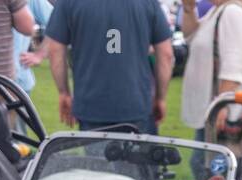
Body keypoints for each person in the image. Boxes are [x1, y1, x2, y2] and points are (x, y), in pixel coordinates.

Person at [46, 0, 172, 132]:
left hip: (91, 106)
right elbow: (166, 54)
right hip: (137, 105)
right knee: (140, 152)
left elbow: (55, 50)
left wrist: (63, 92)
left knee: (95, 153)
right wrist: (160, 97)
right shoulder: (148, 3)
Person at [180, 0, 242, 157]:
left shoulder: (232, 12)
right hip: (212, 108)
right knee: (207, 166)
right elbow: (190, 36)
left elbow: (235, 66)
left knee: (213, 168)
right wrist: (189, 9)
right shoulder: (218, 11)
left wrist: (221, 105)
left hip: (224, 113)